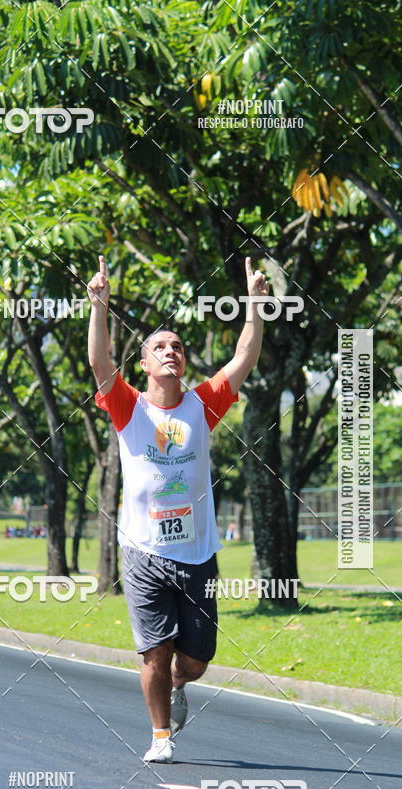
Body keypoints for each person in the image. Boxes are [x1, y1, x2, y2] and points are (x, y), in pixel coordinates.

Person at [87, 254, 266, 762]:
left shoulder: (201, 405)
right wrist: (98, 307)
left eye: (178, 347)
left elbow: (244, 357)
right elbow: (100, 363)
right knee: (154, 652)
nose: (171, 351)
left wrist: (254, 306)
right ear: (144, 363)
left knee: (194, 660)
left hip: (197, 553)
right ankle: (160, 737)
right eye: (160, 347)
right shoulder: (127, 406)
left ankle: (179, 684)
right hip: (142, 551)